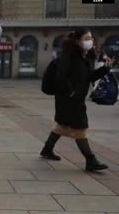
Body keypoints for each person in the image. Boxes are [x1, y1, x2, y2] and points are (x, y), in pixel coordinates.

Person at [40, 27, 115, 171]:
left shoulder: (81, 57)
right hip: (70, 100)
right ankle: (90, 160)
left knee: (62, 126)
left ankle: (47, 150)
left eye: (91, 38)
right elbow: (60, 76)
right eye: (87, 39)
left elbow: (88, 77)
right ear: (77, 41)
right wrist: (71, 92)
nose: (91, 41)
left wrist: (105, 68)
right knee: (80, 129)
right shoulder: (69, 57)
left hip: (73, 99)